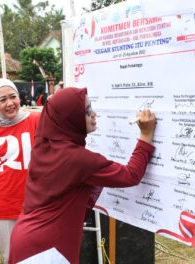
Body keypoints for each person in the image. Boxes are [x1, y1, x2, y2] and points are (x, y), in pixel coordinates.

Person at [9, 88, 156, 263]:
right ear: (69, 119)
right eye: (86, 112)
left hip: (26, 238)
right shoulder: (77, 159)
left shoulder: (46, 145)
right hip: (47, 249)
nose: (93, 114)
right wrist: (146, 134)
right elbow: (131, 175)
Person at [0, 78, 40, 264]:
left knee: (40, 255)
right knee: (12, 256)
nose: (10, 103)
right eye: (2, 99)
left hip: (37, 202)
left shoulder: (36, 120)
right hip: (5, 205)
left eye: (13, 97)